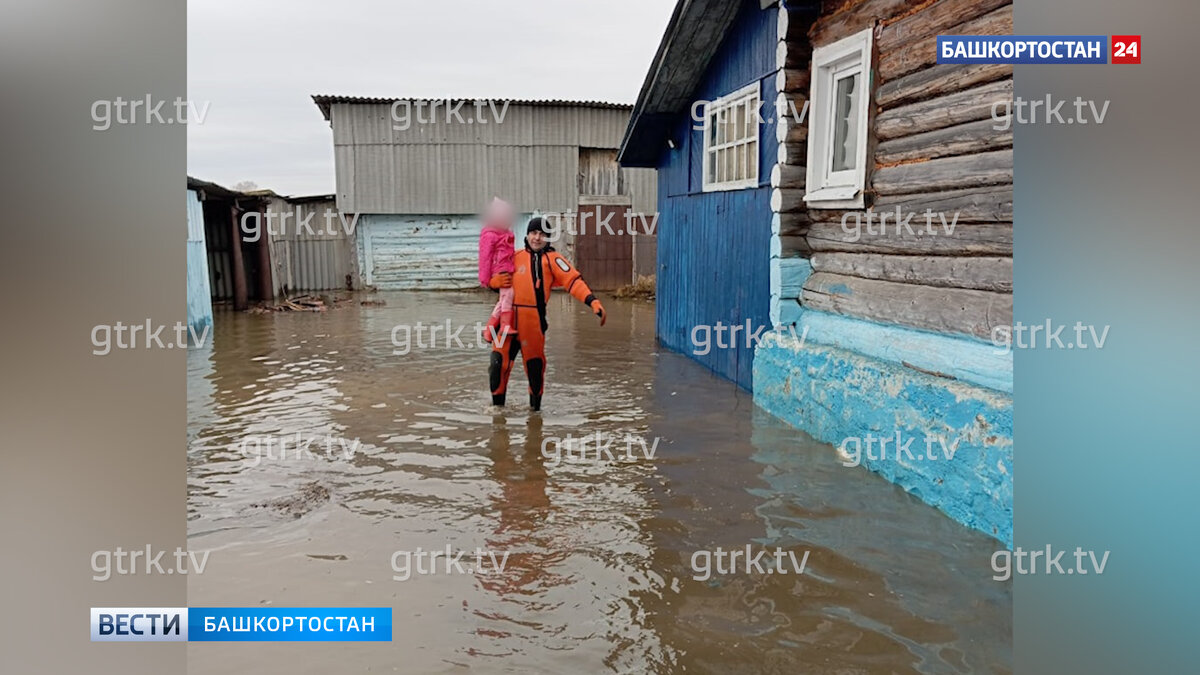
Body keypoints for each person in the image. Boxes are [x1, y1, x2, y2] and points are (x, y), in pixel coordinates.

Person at [486, 217, 606, 411]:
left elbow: (573, 281)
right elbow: (490, 278)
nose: (537, 238)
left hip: (532, 325)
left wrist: (593, 301)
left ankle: (535, 416)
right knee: (497, 364)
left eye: (542, 234)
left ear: (548, 238)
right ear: (527, 235)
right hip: (505, 324)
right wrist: (494, 283)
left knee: (535, 369)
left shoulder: (553, 260)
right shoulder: (512, 257)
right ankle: (497, 414)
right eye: (534, 233)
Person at [478, 197, 517, 341]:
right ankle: (505, 326)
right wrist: (486, 280)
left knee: (503, 299)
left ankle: (489, 331)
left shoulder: (504, 234)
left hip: (506, 269)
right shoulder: (490, 236)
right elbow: (485, 258)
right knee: (508, 296)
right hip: (499, 271)